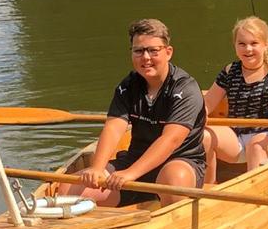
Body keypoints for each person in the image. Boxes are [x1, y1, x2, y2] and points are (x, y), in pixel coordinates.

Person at [72, 19, 206, 207]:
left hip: (178, 161)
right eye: (139, 50)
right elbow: (113, 128)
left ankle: (170, 228)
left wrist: (131, 174)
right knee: (69, 190)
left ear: (168, 52)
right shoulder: (127, 86)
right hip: (135, 159)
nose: (145, 57)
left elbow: (171, 140)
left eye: (153, 50)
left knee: (175, 178)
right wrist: (96, 168)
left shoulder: (185, 88)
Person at [202, 16, 268, 184]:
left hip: (267, 137)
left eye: (254, 43)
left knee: (255, 147)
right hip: (236, 136)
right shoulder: (230, 71)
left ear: (265, 45)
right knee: (204, 136)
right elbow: (207, 103)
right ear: (235, 46)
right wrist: (198, 117)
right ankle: (208, 189)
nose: (248, 49)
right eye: (242, 44)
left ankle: (253, 192)